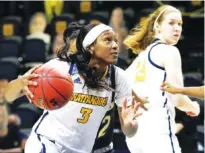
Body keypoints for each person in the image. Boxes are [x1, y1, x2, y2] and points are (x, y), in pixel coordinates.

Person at [23, 22, 141, 153]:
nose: (115, 46)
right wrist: (21, 85)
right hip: (50, 142)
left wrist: (130, 124)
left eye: (116, 41)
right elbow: (10, 94)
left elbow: (129, 132)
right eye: (107, 40)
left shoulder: (118, 77)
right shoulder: (62, 68)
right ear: (90, 47)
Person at [124, 5, 200, 153]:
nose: (177, 28)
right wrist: (194, 107)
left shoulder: (140, 57)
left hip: (135, 135)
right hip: (158, 132)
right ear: (157, 26)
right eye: (171, 23)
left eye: (180, 24)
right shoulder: (169, 51)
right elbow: (178, 99)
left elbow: (120, 89)